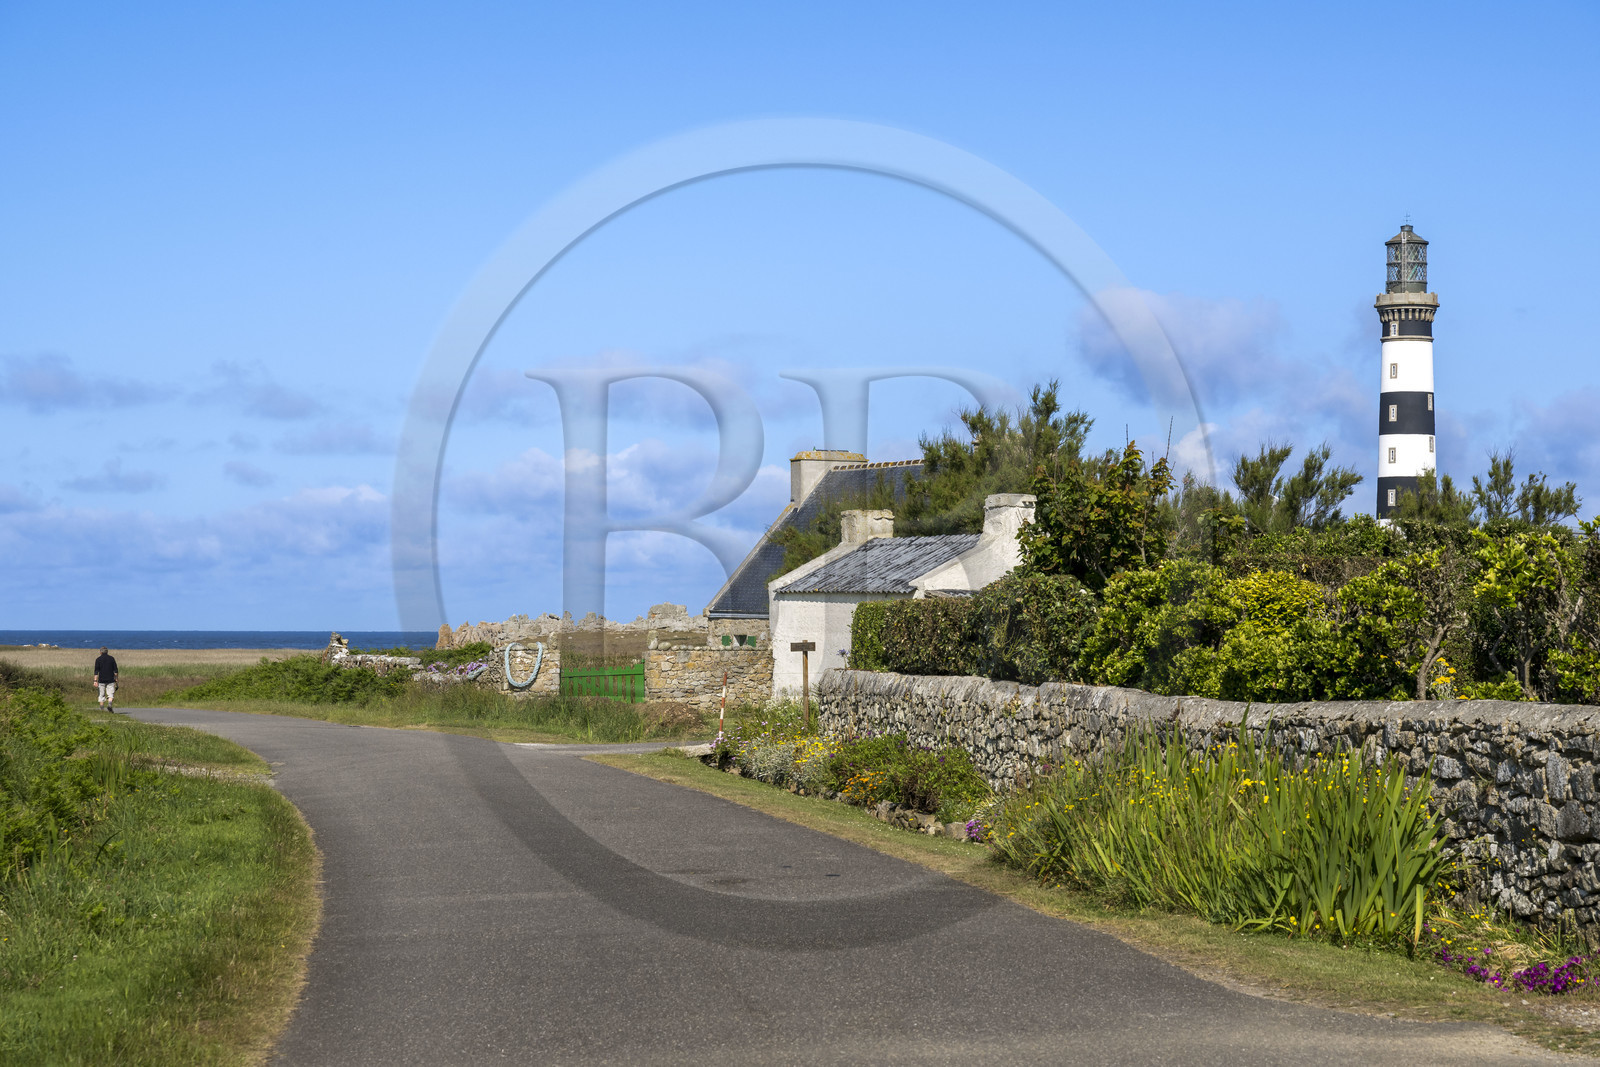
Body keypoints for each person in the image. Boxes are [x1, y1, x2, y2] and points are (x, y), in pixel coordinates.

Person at [93, 646, 119, 712]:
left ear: (100, 652)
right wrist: (116, 679)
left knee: (101, 695)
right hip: (111, 679)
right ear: (107, 652)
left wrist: (95, 681)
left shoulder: (98, 659)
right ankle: (109, 704)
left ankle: (102, 710)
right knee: (111, 694)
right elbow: (115, 671)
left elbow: (96, 671)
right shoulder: (112, 659)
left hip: (101, 680)